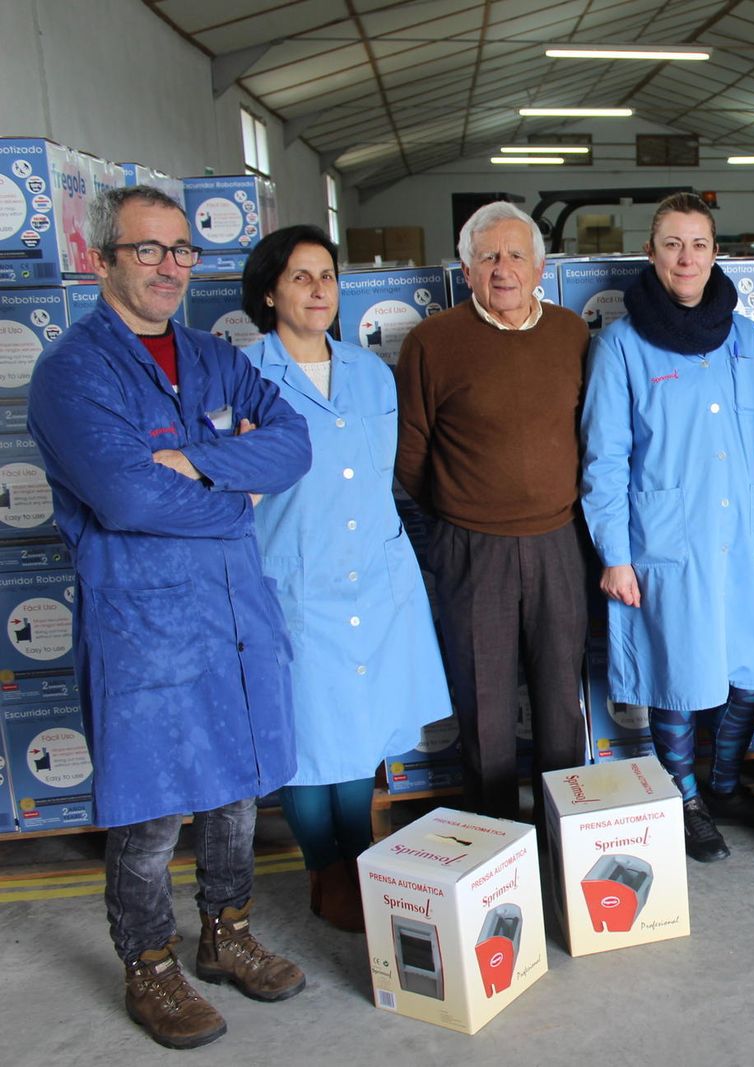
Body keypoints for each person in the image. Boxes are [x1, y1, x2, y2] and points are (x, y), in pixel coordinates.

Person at [27, 186, 312, 1050]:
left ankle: (225, 935)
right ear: (103, 259)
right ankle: (149, 964)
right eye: (147, 251)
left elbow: (292, 439)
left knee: (232, 789)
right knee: (151, 812)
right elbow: (120, 492)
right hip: (145, 623)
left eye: (182, 251)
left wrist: (189, 460)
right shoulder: (73, 372)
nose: (168, 268)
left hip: (231, 608)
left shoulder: (210, 355)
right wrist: (236, 491)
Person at [581, 193, 754, 862]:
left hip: (744, 540)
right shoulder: (620, 344)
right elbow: (604, 456)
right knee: (680, 675)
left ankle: (725, 784)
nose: (686, 257)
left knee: (753, 672)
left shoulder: (746, 337)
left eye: (698, 244)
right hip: (668, 541)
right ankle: (686, 799)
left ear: (714, 253)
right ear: (652, 252)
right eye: (672, 243)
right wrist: (615, 554)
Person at [239, 225, 452, 930]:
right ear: (269, 291)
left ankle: (358, 858)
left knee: (358, 731)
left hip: (374, 578)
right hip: (293, 584)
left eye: (327, 275)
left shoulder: (367, 372)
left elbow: (387, 472)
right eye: (300, 277)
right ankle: (322, 866)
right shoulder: (245, 374)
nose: (318, 290)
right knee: (306, 741)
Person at [396, 202, 590, 821]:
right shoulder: (432, 342)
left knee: (562, 702)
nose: (502, 269)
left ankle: (563, 841)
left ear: (539, 268)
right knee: (485, 707)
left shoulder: (572, 334)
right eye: (488, 257)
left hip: (559, 540)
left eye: (515, 256)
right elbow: (410, 456)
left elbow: (594, 436)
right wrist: (466, 505)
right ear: (466, 268)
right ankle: (494, 845)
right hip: (470, 546)